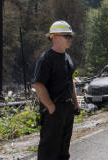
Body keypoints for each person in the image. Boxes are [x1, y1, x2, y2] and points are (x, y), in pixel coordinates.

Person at [33, 20, 80, 160]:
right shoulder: (46, 59)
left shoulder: (67, 57)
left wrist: (76, 103)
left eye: (71, 36)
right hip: (53, 111)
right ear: (55, 37)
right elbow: (38, 85)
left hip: (67, 108)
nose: (70, 39)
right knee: (48, 151)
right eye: (67, 36)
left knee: (63, 150)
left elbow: (69, 81)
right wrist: (51, 107)